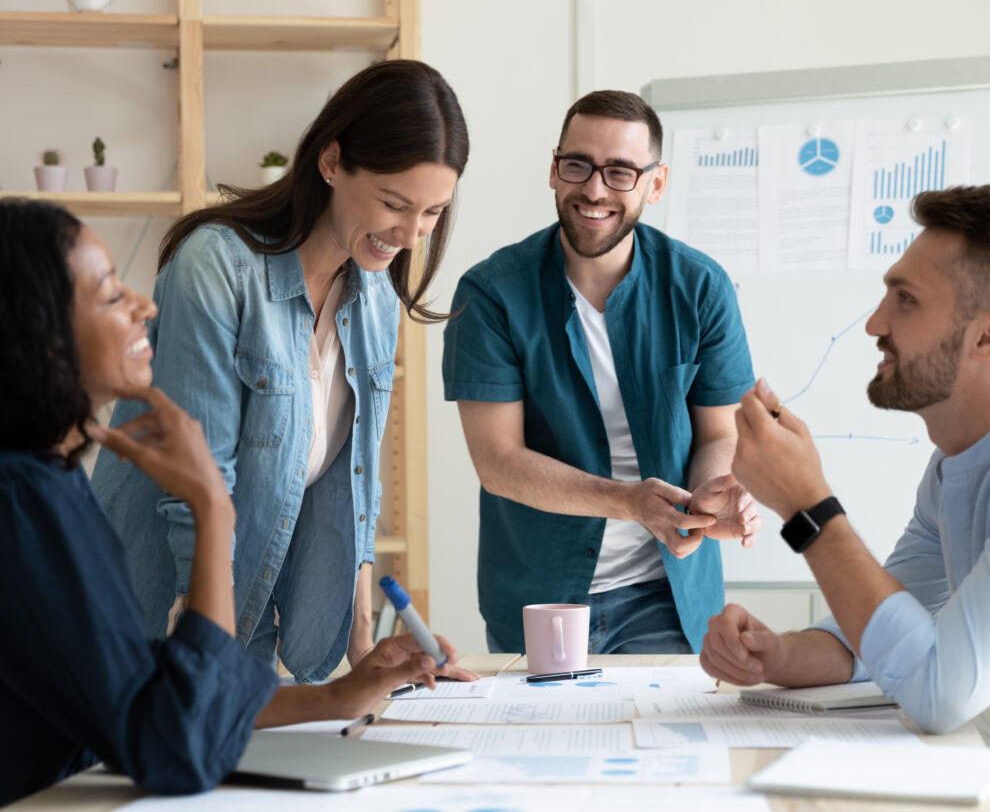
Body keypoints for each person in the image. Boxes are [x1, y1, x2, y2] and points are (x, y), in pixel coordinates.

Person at [0, 199, 463, 804]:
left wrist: (337, 697)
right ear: (41, 335)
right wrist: (213, 510)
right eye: (113, 296)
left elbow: (147, 688)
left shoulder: (47, 483)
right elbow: (177, 744)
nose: (144, 307)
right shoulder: (25, 504)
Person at [91, 60, 476, 683]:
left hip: (247, 621)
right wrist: (206, 658)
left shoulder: (374, 293)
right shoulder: (217, 269)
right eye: (393, 203)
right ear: (330, 163)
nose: (409, 235)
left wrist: (365, 652)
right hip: (157, 617)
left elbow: (358, 485)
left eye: (432, 213)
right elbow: (199, 483)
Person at [442, 90, 761, 655]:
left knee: (666, 744)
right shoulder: (491, 294)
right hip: (538, 598)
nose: (594, 189)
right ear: (553, 170)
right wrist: (629, 501)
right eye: (577, 166)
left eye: (620, 172)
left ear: (655, 185)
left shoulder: (701, 287)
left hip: (666, 593)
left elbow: (720, 433)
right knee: (543, 745)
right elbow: (499, 463)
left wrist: (706, 501)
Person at [701, 185, 990, 734]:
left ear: (985, 336)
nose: (875, 324)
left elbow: (940, 692)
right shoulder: (949, 470)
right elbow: (882, 635)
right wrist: (778, 656)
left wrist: (808, 504)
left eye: (905, 299)